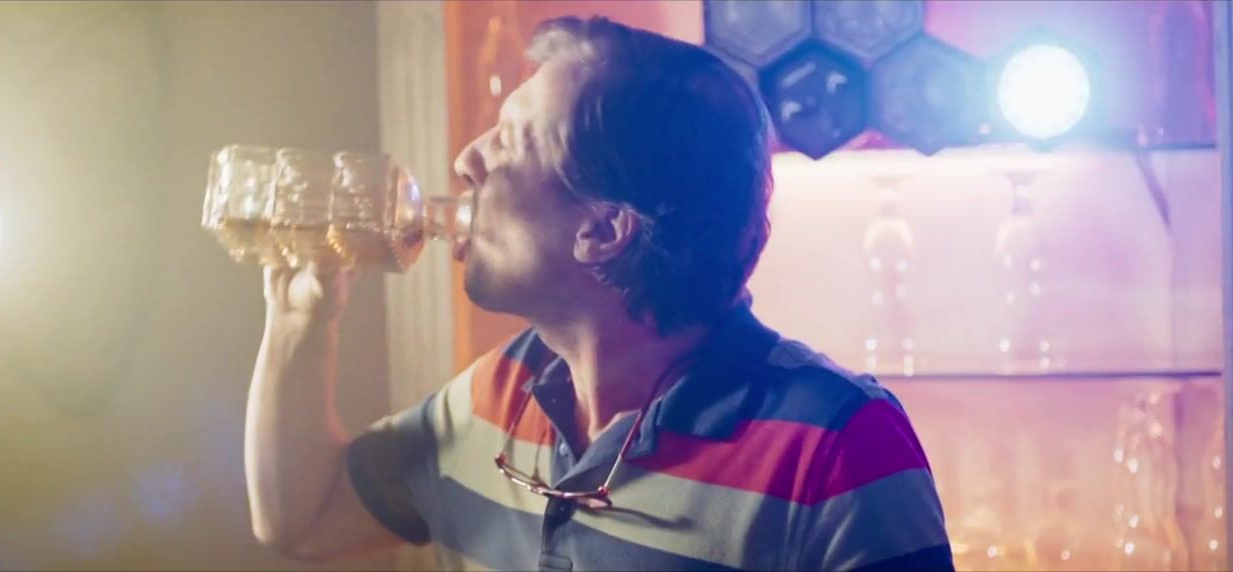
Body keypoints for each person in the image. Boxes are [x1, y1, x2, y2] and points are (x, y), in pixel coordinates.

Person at [244, 15, 952, 572]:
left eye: (510, 143)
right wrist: (301, 319)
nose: (466, 162)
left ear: (604, 229)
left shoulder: (838, 449)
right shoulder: (501, 393)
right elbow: (306, 518)